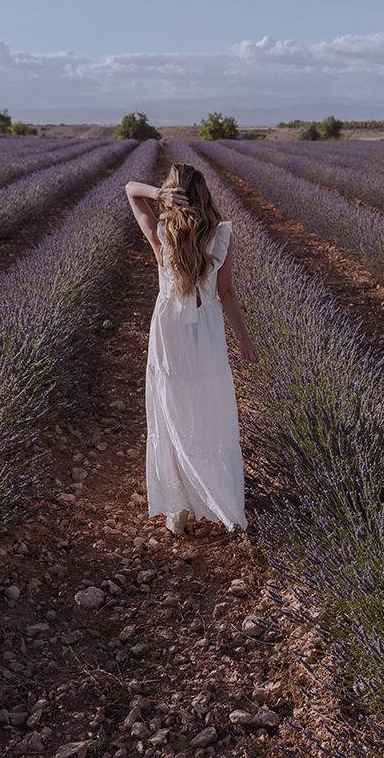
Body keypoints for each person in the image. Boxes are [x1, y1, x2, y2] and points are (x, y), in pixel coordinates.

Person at [125, 163, 259, 536]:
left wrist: (156, 194)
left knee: (170, 409)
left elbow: (130, 190)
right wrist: (244, 339)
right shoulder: (222, 234)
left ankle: (178, 505)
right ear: (204, 195)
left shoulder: (162, 232)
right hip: (207, 328)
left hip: (168, 330)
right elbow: (227, 293)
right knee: (208, 409)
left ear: (173, 195)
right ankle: (215, 492)